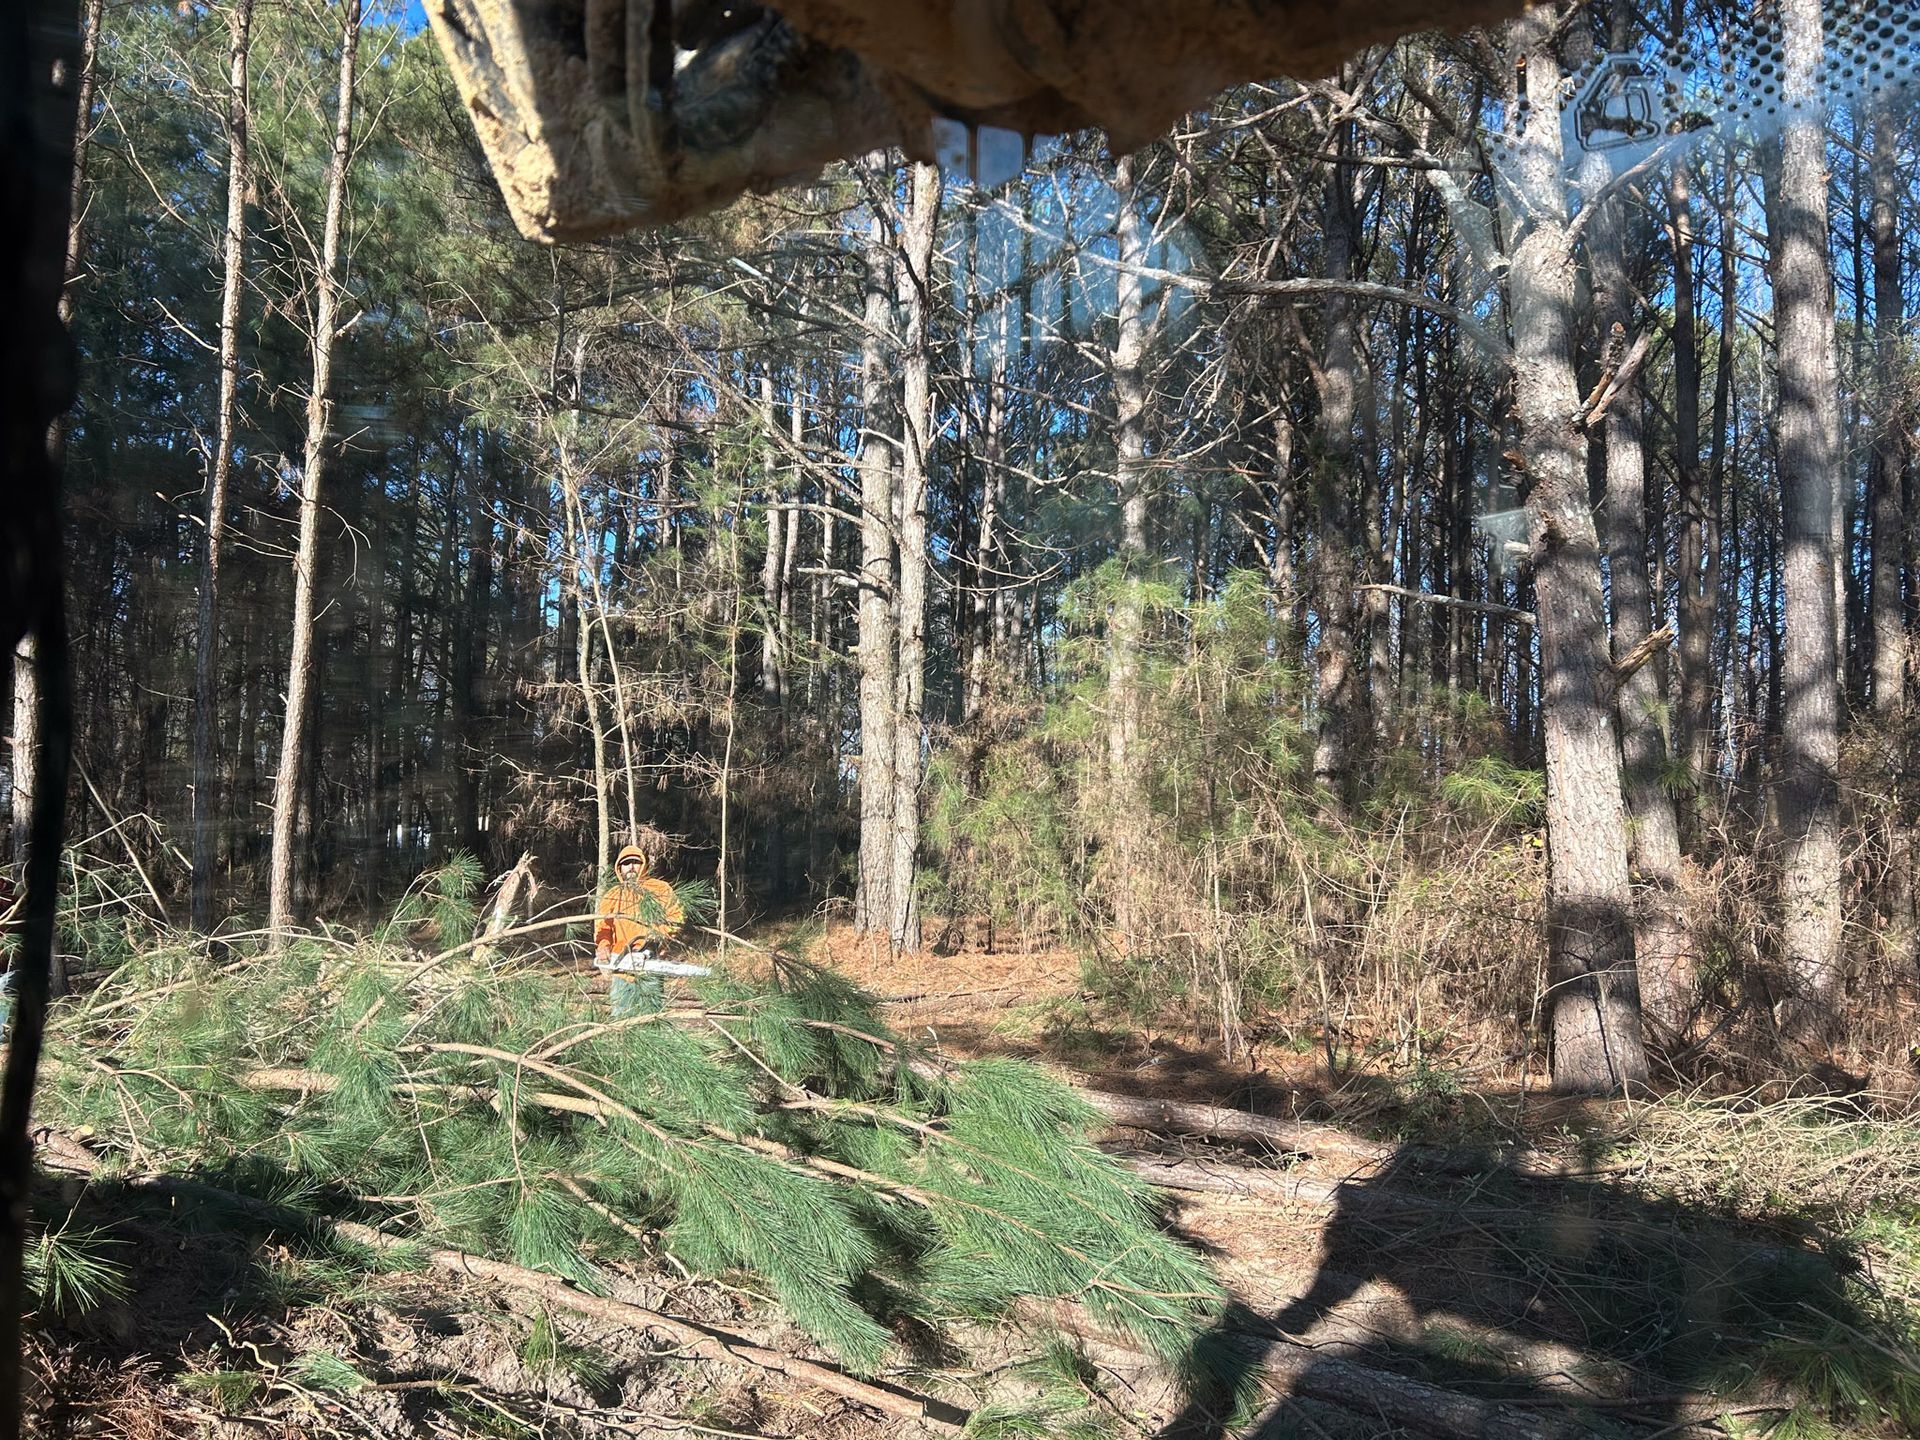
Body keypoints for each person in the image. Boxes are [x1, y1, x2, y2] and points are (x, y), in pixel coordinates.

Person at [593, 844, 685, 1015]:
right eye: (626, 863)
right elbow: (603, 927)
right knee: (620, 1018)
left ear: (643, 864)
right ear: (619, 868)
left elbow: (676, 916)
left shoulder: (659, 889)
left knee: (651, 1017)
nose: (631, 867)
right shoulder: (613, 895)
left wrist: (659, 935)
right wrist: (603, 946)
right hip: (622, 966)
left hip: (651, 962)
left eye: (635, 862)